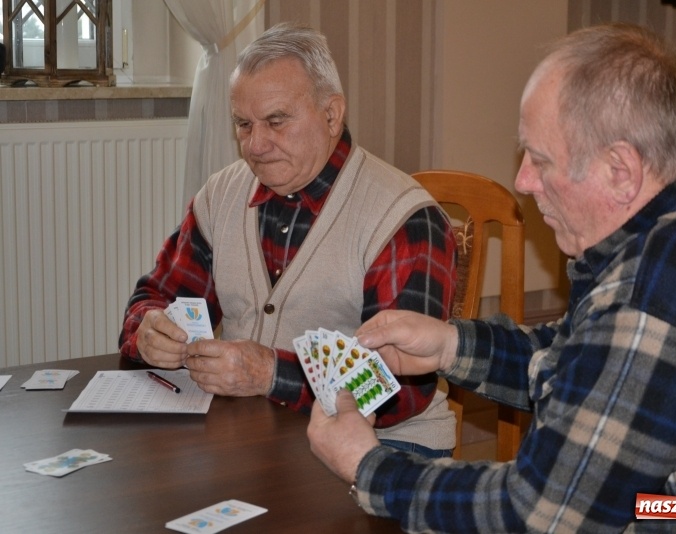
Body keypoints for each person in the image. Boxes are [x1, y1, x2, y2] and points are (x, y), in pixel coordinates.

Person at [307, 22, 676, 532]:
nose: (522, 181)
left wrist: (370, 468)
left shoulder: (648, 307)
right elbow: (588, 365)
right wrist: (449, 346)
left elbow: (539, 515)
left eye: (540, 160)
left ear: (621, 170)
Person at [119, 22, 458, 458]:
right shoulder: (221, 195)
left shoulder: (404, 220)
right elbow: (157, 296)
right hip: (257, 437)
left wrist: (268, 374)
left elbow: (398, 388)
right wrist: (148, 329)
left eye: (276, 121)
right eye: (243, 124)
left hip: (383, 448)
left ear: (332, 114)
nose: (255, 145)